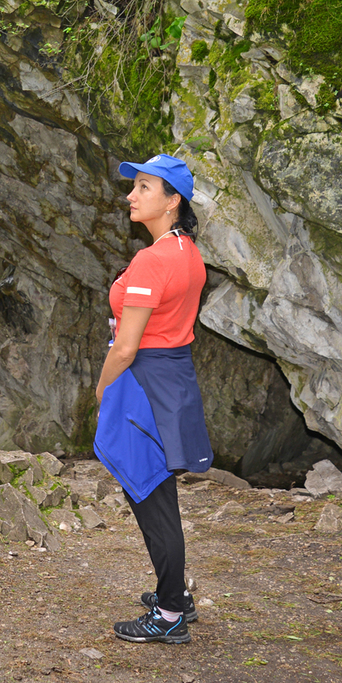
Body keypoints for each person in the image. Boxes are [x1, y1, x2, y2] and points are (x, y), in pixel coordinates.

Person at [93, 153, 211, 645]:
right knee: (159, 493)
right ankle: (175, 597)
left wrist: (102, 392)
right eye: (133, 186)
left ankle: (168, 614)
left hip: (142, 385)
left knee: (151, 497)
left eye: (143, 187)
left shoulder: (152, 259)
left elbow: (126, 345)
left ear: (172, 200)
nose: (131, 195)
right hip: (172, 377)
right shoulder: (188, 250)